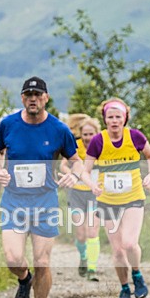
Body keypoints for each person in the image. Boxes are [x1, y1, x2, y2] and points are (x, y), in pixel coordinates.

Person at [0, 76, 90, 298]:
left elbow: (76, 160)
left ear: (46, 98)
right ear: (22, 98)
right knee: (13, 258)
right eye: (28, 95)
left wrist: (75, 175)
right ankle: (24, 279)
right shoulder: (8, 124)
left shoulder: (59, 129)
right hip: (14, 201)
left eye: (37, 94)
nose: (33, 98)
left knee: (42, 261)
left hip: (45, 202)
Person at [84, 97, 150, 298]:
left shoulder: (135, 137)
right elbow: (85, 169)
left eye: (118, 117)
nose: (114, 121)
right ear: (105, 119)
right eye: (110, 117)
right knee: (117, 250)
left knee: (129, 243)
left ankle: (137, 274)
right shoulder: (98, 141)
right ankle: (124, 287)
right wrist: (92, 185)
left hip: (133, 197)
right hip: (108, 201)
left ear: (125, 118)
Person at [61, 115, 102, 281]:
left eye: (91, 134)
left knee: (92, 231)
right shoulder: (75, 145)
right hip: (77, 193)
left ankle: (92, 268)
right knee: (80, 234)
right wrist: (72, 174)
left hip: (95, 194)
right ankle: (84, 257)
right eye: (85, 134)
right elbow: (63, 164)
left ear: (96, 134)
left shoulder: (101, 145)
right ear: (80, 134)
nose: (87, 138)